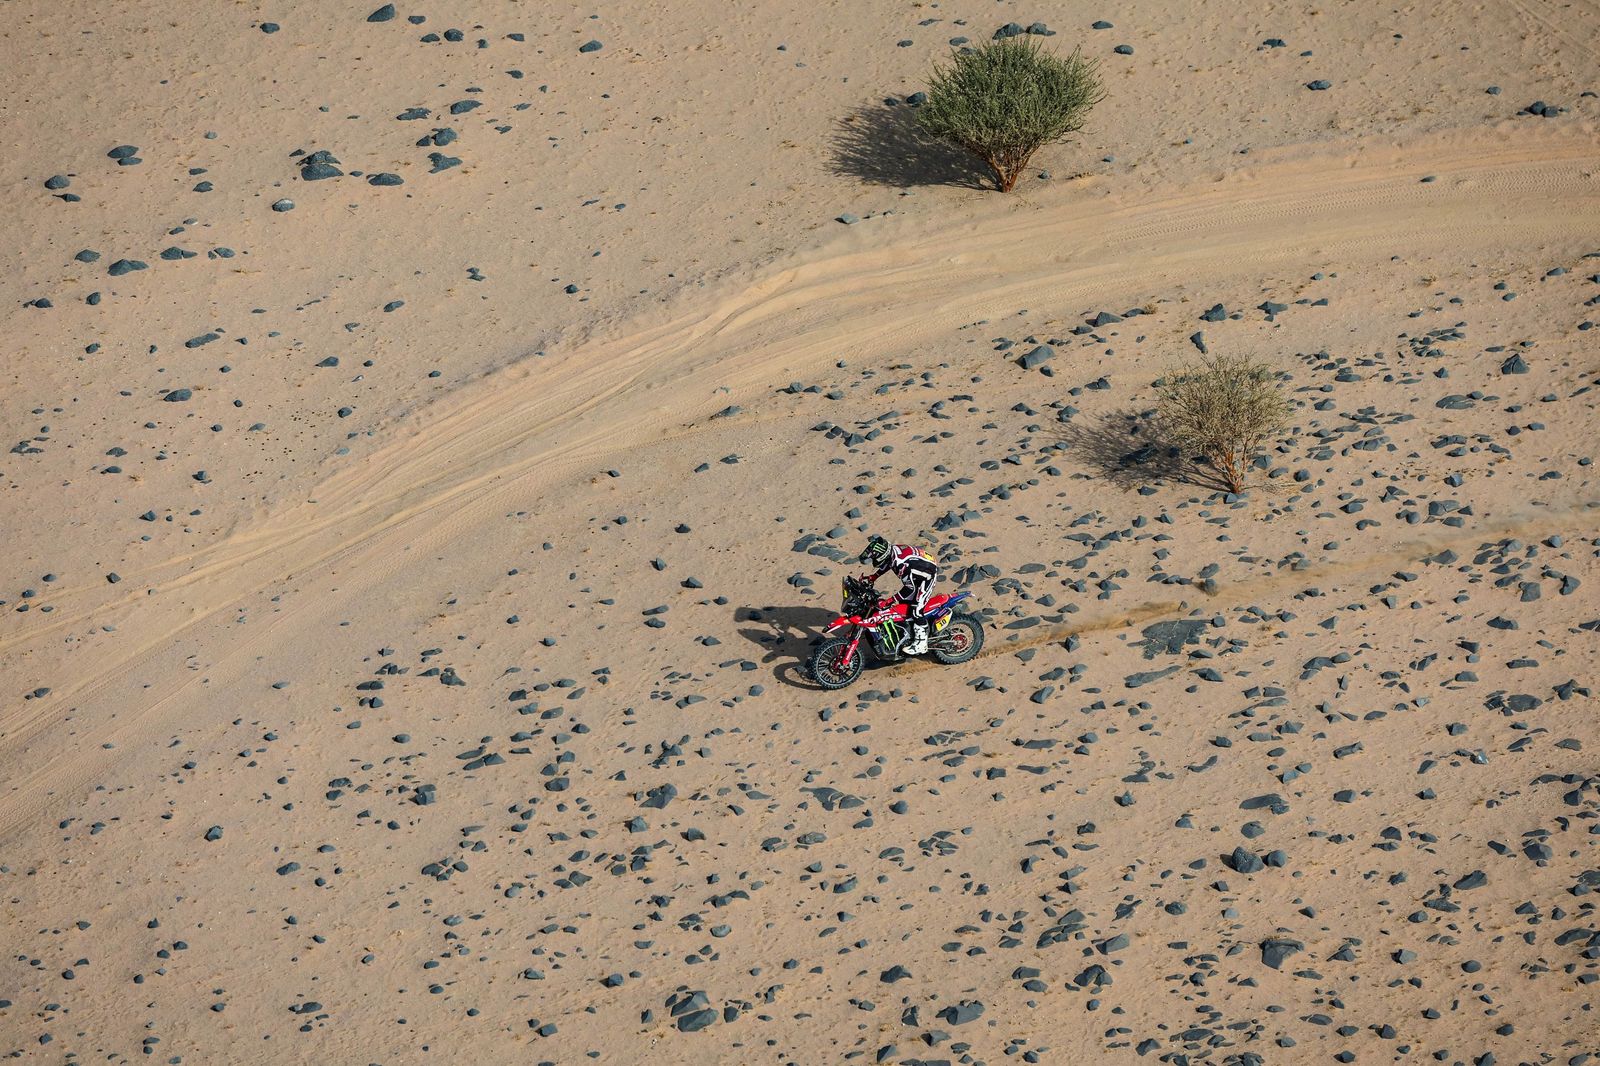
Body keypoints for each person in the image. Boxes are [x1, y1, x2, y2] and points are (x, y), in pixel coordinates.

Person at [857, 534, 939, 658]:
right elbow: (888, 564)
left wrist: (889, 600)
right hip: (919, 569)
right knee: (904, 606)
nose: (875, 560)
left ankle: (921, 644)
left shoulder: (900, 564)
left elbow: (909, 588)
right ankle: (909, 634)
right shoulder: (892, 551)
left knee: (917, 610)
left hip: (927, 577)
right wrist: (874, 576)